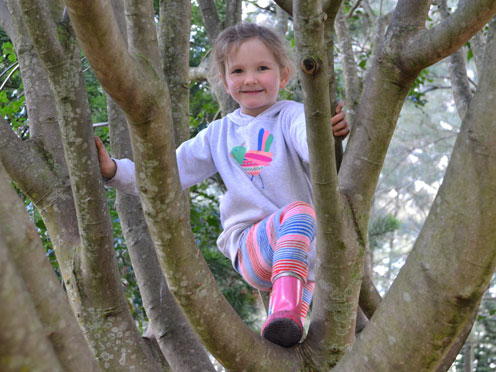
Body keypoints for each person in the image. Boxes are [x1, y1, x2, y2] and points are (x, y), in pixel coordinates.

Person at [95, 22, 349, 348]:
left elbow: (309, 141)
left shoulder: (292, 115)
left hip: (306, 256)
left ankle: (287, 319)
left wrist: (327, 135)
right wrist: (114, 170)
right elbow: (167, 172)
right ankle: (284, 303)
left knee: (291, 325)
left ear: (284, 76)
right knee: (300, 213)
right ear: (226, 82)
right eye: (238, 71)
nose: (250, 78)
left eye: (262, 68)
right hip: (252, 247)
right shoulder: (219, 135)